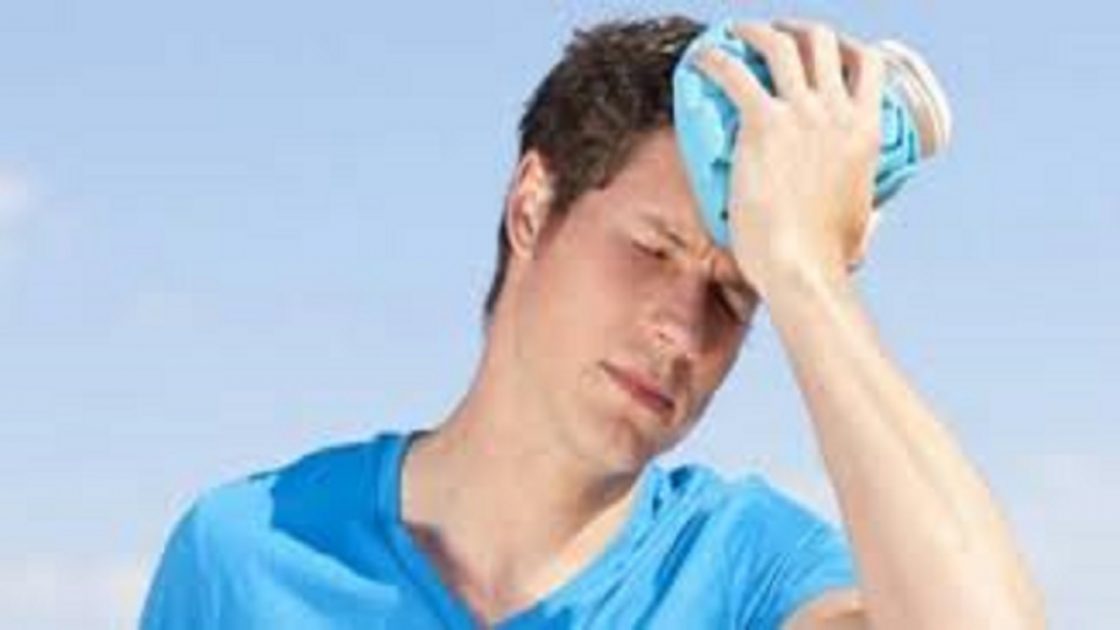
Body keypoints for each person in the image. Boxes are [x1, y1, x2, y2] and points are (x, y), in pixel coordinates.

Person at [140, 15, 1046, 629]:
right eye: (652, 250)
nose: (682, 330)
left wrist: (807, 273)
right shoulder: (243, 557)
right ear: (532, 207)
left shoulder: (745, 572)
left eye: (735, 295)